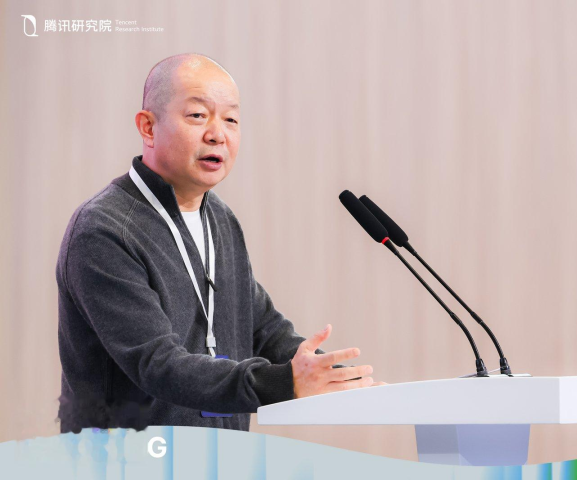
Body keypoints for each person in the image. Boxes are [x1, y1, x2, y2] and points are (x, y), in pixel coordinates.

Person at [56, 53, 379, 434]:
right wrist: (283, 382)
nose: (217, 134)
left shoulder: (220, 219)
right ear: (148, 127)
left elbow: (264, 329)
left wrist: (341, 380)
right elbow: (157, 364)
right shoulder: (104, 230)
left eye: (231, 119)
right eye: (198, 115)